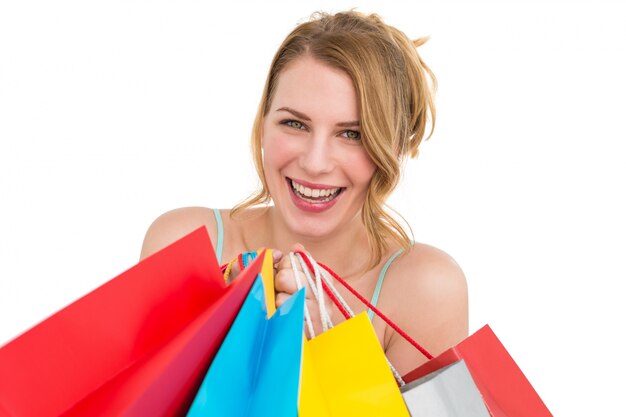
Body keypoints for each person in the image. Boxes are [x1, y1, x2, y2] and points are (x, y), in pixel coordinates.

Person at [140, 10, 468, 377]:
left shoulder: (425, 289)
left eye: (352, 134)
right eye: (294, 124)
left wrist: (333, 360)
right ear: (262, 124)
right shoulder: (185, 243)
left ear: (393, 147)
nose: (315, 163)